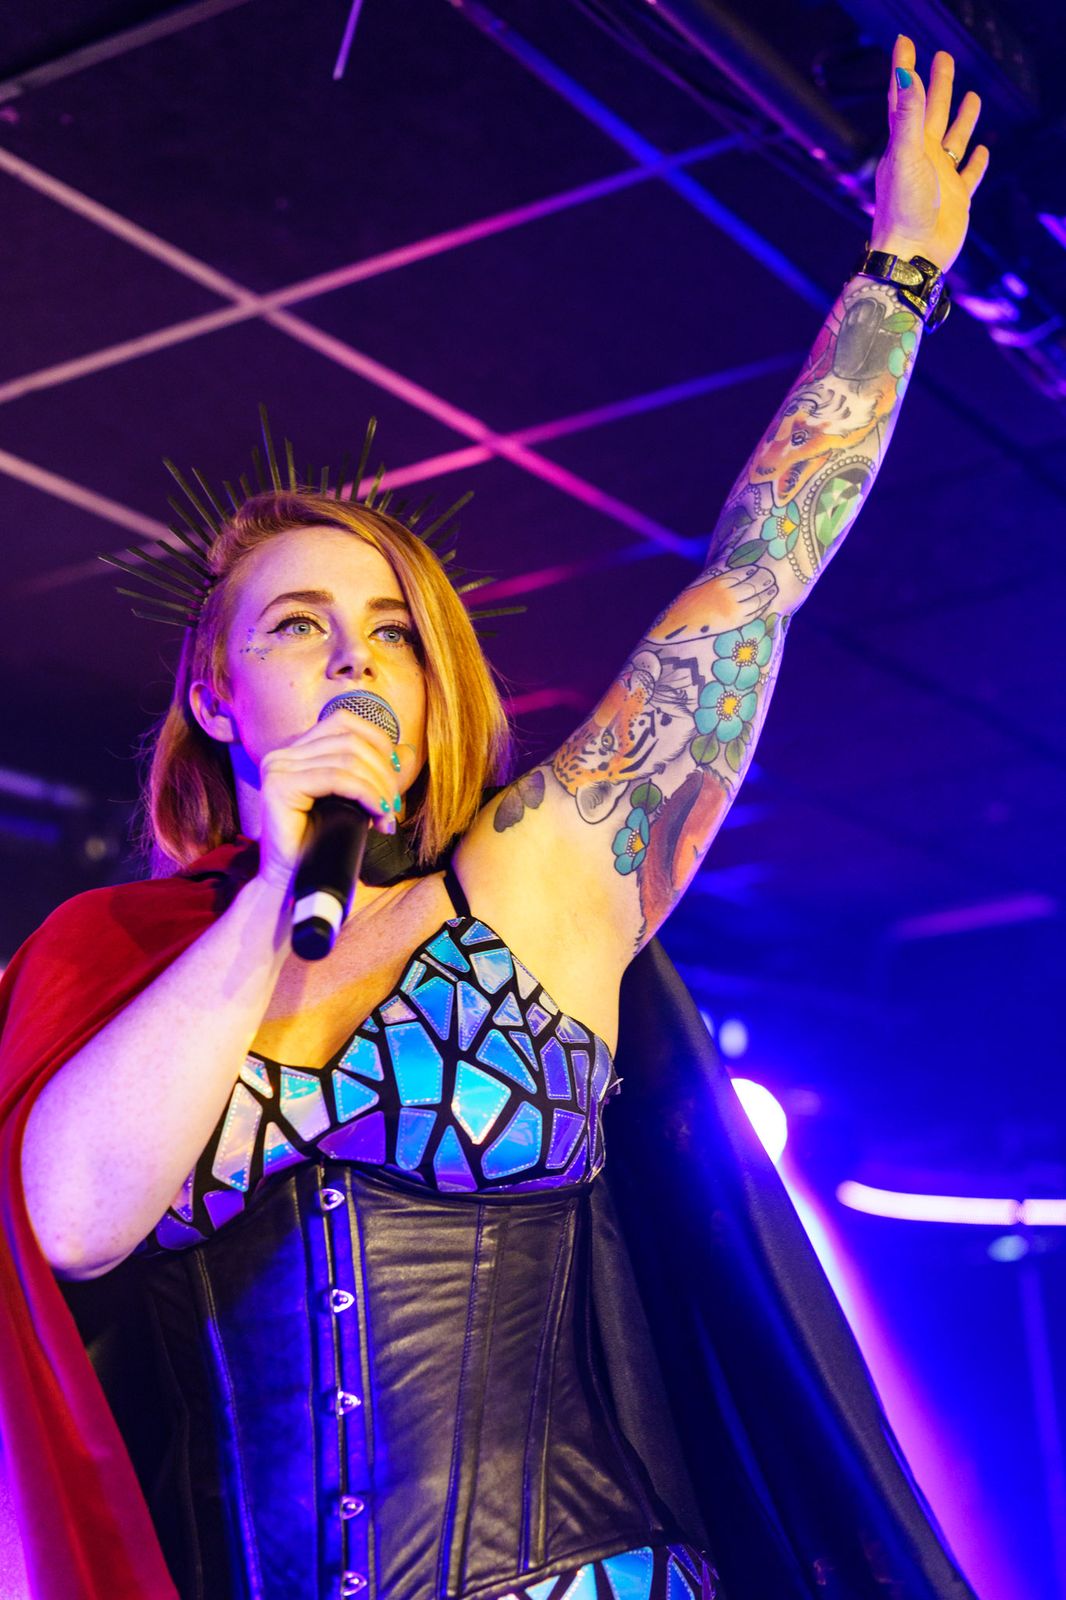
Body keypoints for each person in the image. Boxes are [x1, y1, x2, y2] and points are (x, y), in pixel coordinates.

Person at [0, 35, 989, 1600]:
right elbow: (69, 1228)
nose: (352, 656)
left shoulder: (531, 881)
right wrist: (269, 899)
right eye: (296, 625)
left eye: (390, 631)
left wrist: (903, 270)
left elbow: (754, 577)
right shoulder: (113, 967)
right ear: (212, 692)